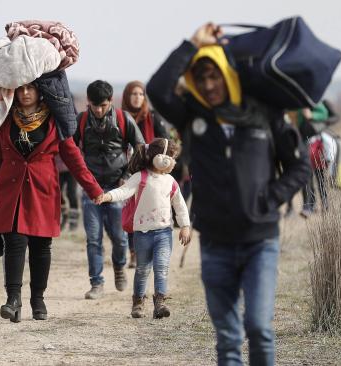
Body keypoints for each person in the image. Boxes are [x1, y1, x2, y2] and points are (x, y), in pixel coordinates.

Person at [146, 23, 310, 365]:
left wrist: (268, 199)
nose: (208, 84)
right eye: (201, 78)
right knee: (229, 339)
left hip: (259, 242)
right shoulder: (194, 117)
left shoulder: (264, 114)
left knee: (259, 328)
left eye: (214, 76)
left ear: (228, 74)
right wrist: (191, 45)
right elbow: (158, 90)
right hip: (217, 245)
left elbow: (299, 168)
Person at [0, 83, 103, 322]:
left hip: (43, 191)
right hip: (11, 191)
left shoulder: (55, 123)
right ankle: (13, 299)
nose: (24, 93)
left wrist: (93, 189)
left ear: (39, 92)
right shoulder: (5, 120)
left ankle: (38, 298)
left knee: (40, 247)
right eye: (20, 89)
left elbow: (74, 158)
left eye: (30, 89)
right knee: (14, 243)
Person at [96, 138, 191, 319]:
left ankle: (160, 303)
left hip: (164, 232)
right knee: (142, 269)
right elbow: (123, 191)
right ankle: (138, 302)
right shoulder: (140, 177)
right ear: (157, 157)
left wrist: (185, 226)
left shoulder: (170, 181)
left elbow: (180, 205)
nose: (170, 161)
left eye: (172, 157)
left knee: (161, 267)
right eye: (168, 156)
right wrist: (107, 196)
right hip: (142, 234)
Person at [74, 80, 144, 299]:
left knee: (119, 238)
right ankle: (96, 283)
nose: (98, 109)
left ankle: (119, 268)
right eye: (94, 105)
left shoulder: (124, 119)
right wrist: (83, 177)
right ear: (88, 102)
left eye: (102, 105)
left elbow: (141, 149)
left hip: (117, 188)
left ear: (110, 101)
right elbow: (71, 151)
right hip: (91, 188)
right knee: (93, 238)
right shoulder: (82, 120)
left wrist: (126, 177)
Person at [121, 80, 170, 267]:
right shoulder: (120, 118)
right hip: (127, 173)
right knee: (131, 213)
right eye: (133, 94)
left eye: (141, 94)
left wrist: (159, 164)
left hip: (150, 174)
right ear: (127, 96)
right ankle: (133, 252)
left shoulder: (152, 117)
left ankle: (149, 250)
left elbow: (166, 144)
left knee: (148, 213)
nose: (137, 98)